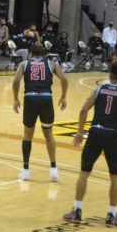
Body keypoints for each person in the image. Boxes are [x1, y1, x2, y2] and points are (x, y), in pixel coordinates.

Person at [63, 62, 117, 227]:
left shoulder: (99, 89)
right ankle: (111, 215)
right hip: (112, 134)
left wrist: (80, 132)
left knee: (84, 172)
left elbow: (83, 110)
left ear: (109, 74)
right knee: (114, 176)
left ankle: (77, 210)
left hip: (95, 132)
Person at [12, 44, 68, 181]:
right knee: (48, 134)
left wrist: (15, 99)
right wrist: (63, 96)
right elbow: (65, 79)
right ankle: (53, 170)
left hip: (30, 99)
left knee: (27, 134)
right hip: (46, 99)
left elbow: (16, 81)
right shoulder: (52, 64)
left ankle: (25, 170)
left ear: (30, 54)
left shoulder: (24, 64)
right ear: (44, 54)